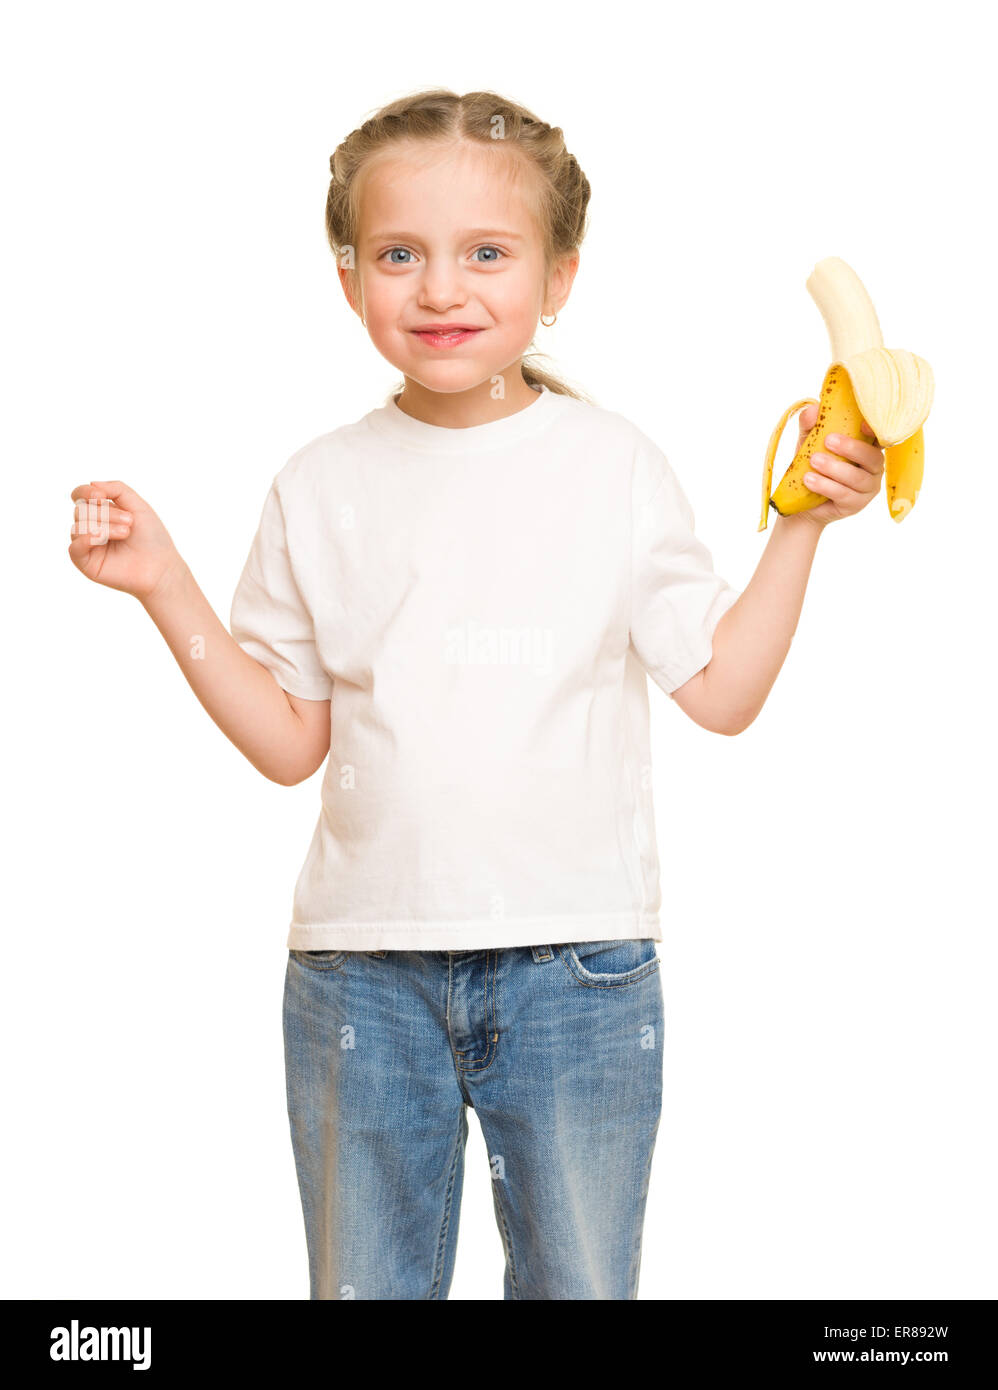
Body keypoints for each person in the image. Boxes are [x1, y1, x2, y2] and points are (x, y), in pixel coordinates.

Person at [67, 88, 886, 1301]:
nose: (440, 290)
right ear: (349, 281)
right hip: (359, 971)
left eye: (486, 254)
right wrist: (162, 582)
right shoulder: (318, 484)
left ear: (559, 276)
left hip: (578, 971)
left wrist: (799, 526)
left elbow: (718, 688)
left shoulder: (611, 466)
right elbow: (292, 742)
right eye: (399, 255)